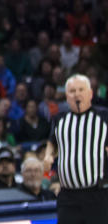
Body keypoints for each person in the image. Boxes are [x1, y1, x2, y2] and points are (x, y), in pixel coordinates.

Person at [43, 74, 108, 223]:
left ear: (90, 94)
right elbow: (52, 141)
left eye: (81, 90)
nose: (77, 94)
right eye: (72, 91)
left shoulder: (104, 117)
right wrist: (48, 156)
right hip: (68, 196)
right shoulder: (59, 119)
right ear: (67, 97)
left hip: (97, 194)